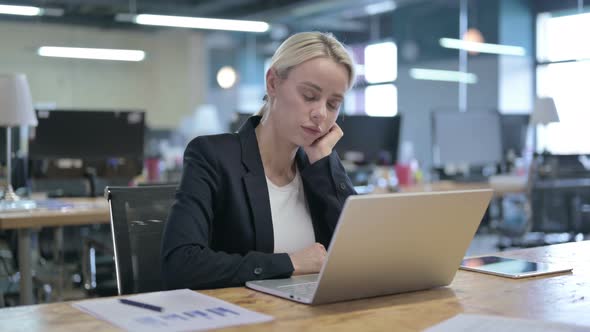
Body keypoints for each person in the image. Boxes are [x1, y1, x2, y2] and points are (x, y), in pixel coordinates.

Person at [161, 31, 357, 290]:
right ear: (273, 83)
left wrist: (325, 163)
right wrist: (289, 263)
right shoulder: (212, 156)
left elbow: (365, 257)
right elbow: (180, 265)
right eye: (309, 96)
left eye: (333, 104)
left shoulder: (319, 169)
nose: (320, 113)